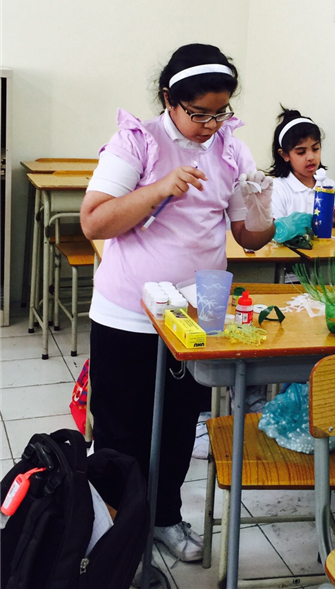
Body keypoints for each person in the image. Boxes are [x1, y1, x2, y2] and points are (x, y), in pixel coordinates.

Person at [80, 44, 275, 579]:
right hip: (128, 315)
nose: (211, 125)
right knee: (122, 432)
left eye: (221, 112)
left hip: (194, 319)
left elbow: (249, 238)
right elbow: (94, 221)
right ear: (169, 99)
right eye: (199, 113)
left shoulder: (230, 149)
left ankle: (164, 518)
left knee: (178, 426)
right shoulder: (137, 141)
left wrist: (262, 206)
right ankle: (113, 540)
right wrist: (159, 188)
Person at [268, 108, 335, 226]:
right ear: (285, 155)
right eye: (301, 152)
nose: (310, 157)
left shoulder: (329, 186)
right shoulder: (277, 189)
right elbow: (278, 231)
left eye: (315, 149)